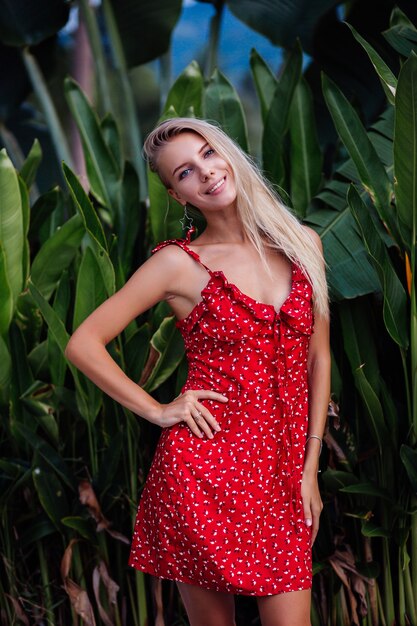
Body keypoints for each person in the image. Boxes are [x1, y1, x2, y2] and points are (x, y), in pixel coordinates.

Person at [65, 117, 330, 626]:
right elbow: (83, 343)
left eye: (209, 153)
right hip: (204, 475)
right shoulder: (179, 265)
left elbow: (320, 358)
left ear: (227, 152)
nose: (206, 173)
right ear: (175, 194)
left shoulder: (303, 244)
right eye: (186, 172)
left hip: (284, 476)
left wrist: (309, 468)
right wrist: (159, 409)